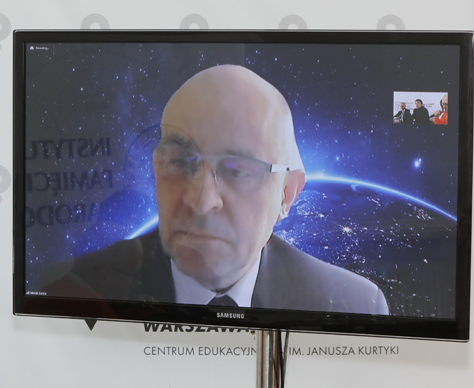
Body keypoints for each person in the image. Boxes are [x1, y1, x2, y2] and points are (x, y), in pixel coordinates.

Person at [40, 65, 389, 314]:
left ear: (287, 194)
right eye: (179, 162)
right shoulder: (74, 292)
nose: (203, 200)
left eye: (237, 170)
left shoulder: (352, 304)